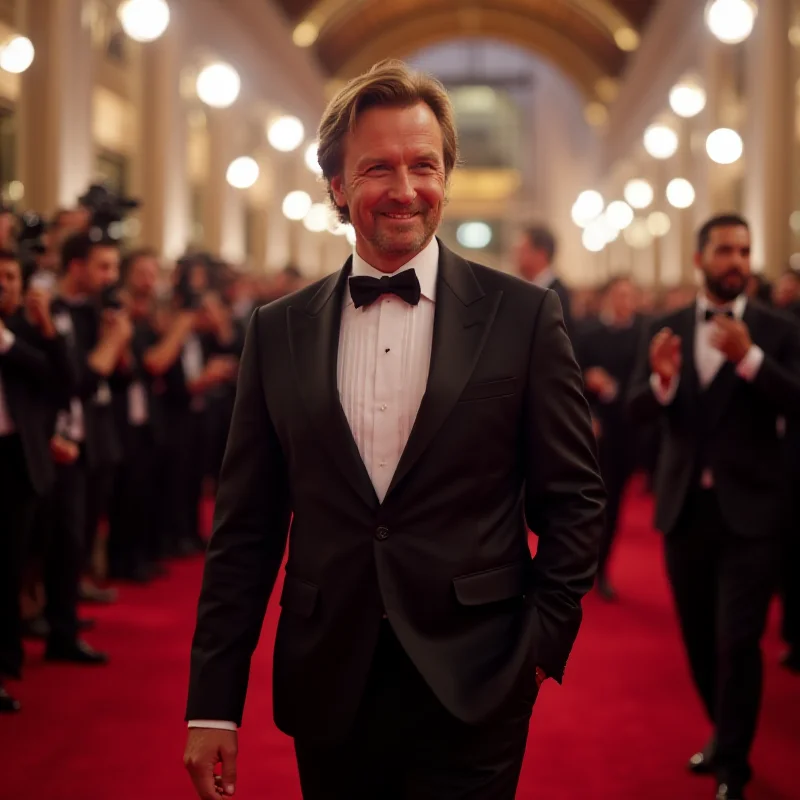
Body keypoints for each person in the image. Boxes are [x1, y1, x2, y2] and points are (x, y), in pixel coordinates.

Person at [184, 59, 604, 800]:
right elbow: (244, 528)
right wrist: (213, 703)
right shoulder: (276, 330)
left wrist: (540, 643)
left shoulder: (523, 317)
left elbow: (575, 499)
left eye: (425, 165)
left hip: (479, 675)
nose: (405, 190)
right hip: (329, 676)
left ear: (447, 175)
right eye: (378, 167)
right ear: (338, 187)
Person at [628, 214, 800, 800]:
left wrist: (751, 360)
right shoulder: (665, 327)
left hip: (752, 514)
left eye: (744, 251)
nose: (737, 260)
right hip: (685, 513)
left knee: (738, 640)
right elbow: (635, 412)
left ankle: (732, 763)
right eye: (725, 250)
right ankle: (723, 733)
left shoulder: (778, 331)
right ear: (700, 258)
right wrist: (663, 383)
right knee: (699, 638)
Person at [577, 276, 643, 600]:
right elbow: (568, 376)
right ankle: (578, 567)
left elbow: (642, 384)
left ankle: (602, 570)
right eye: (618, 294)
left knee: (612, 505)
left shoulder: (643, 336)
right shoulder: (587, 333)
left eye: (629, 295)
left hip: (623, 433)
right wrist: (588, 411)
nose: (624, 301)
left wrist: (613, 388)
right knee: (582, 505)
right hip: (588, 431)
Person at [513, 224, 574, 335]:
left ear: (541, 254)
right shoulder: (523, 289)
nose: (516, 256)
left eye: (522, 250)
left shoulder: (557, 294)